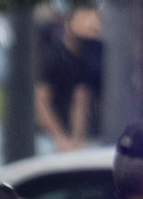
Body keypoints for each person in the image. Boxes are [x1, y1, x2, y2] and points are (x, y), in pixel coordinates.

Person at [35, 6, 102, 153]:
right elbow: (41, 102)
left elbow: (81, 99)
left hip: (77, 139)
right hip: (48, 136)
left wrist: (75, 140)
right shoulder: (52, 56)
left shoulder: (91, 56)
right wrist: (60, 138)